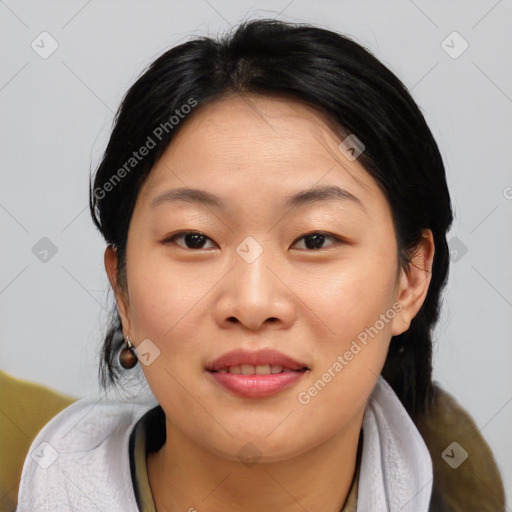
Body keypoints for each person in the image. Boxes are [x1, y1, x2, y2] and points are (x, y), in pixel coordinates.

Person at [15, 18, 505, 512]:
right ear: (122, 288)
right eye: (195, 239)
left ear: (409, 280)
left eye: (315, 239)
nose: (252, 303)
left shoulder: (463, 490)